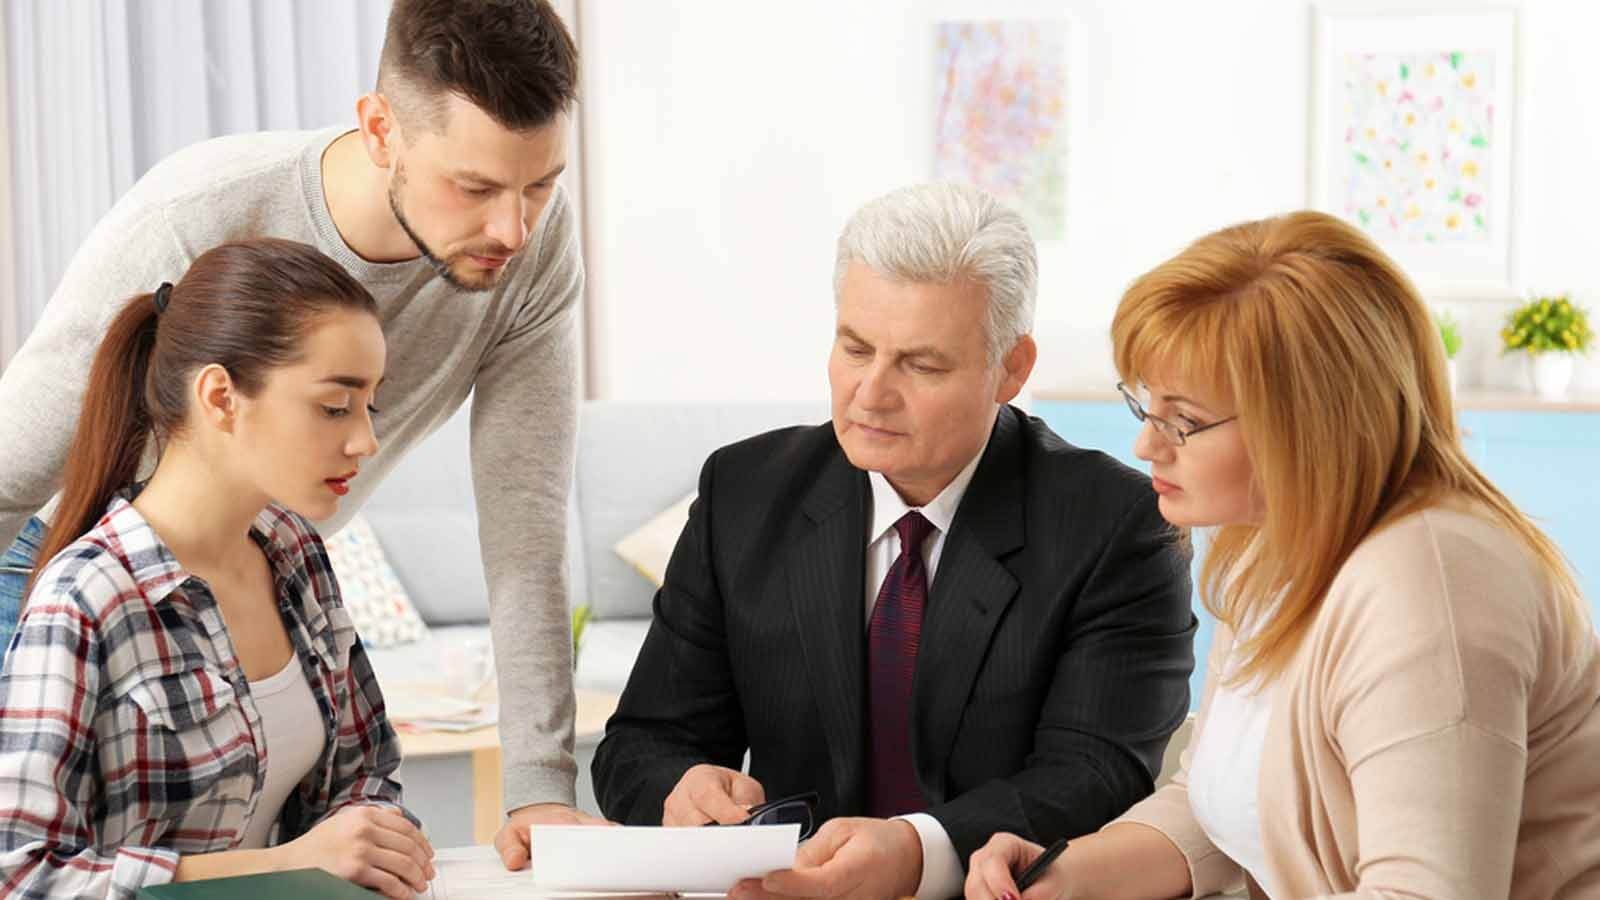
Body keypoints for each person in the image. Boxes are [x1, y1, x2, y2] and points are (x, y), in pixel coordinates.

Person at [0, 0, 600, 864]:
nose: (515, 229)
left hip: (267, 568)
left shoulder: (535, 250)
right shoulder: (197, 216)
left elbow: (525, 528)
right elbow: (9, 475)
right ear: (381, 129)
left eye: (541, 184)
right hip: (66, 576)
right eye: (474, 188)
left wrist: (541, 789)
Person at [966, 211, 1600, 899]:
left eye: (1183, 420)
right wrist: (1066, 874)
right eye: (1146, 405)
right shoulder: (1274, 544)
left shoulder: (1426, 592)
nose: (1147, 445)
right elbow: (1222, 807)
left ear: (1310, 424)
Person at [592, 183, 1197, 900]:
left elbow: (1097, 774)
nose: (870, 393)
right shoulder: (742, 493)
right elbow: (640, 745)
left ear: (1011, 368)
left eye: (921, 364)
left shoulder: (1117, 525)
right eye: (855, 348)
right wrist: (680, 788)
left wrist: (918, 851)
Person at [0, 240, 434, 900]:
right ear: (220, 396)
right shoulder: (86, 597)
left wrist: (374, 843)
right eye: (333, 406)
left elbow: (364, 773)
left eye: (368, 406)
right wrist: (287, 864)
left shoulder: (294, 552)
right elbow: (22, 874)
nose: (365, 441)